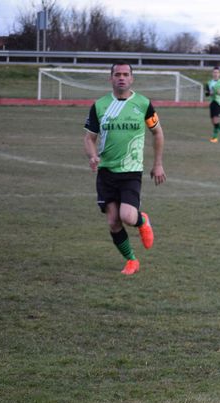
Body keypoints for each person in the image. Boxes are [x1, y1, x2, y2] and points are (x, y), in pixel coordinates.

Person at [83, 62, 166, 275]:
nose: (121, 77)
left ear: (132, 78)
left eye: (126, 74)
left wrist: (158, 164)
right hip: (106, 172)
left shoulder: (143, 104)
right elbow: (89, 138)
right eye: (117, 74)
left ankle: (142, 220)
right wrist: (92, 156)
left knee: (128, 217)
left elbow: (157, 133)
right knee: (113, 222)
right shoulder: (99, 105)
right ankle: (131, 260)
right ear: (111, 78)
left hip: (131, 171)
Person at [204, 66, 220, 143]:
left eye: (217, 72)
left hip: (219, 102)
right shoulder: (209, 83)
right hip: (212, 102)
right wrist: (209, 93)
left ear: (219, 74)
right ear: (212, 73)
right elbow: (206, 93)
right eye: (214, 72)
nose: (216, 74)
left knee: (215, 119)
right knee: (212, 120)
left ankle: (214, 138)